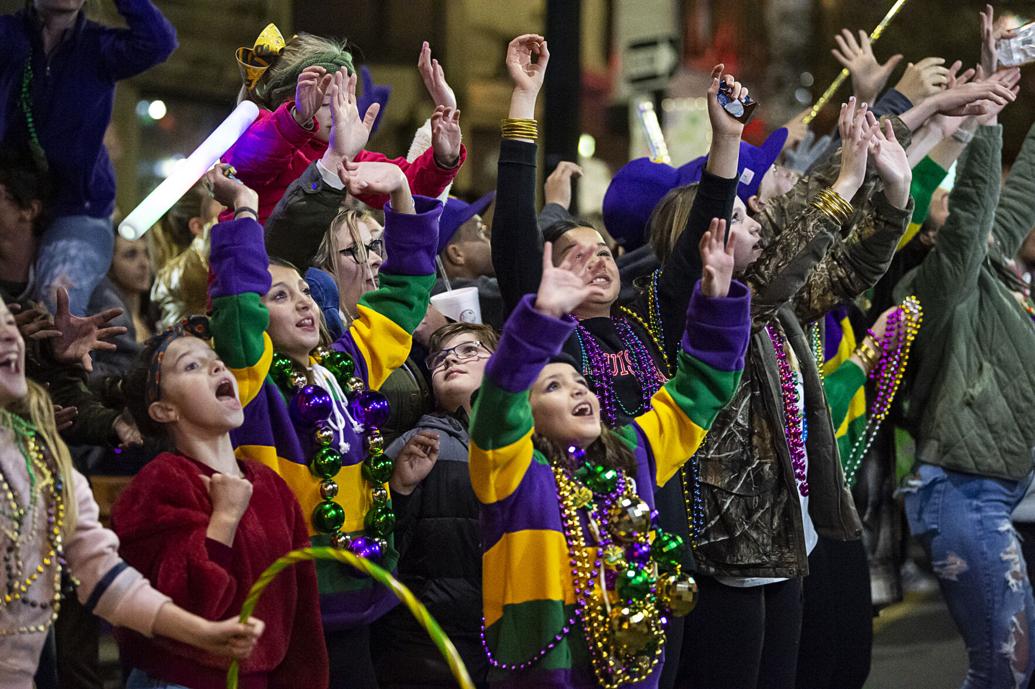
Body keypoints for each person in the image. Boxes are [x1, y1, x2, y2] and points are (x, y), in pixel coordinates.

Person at [472, 223, 750, 688]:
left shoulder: (630, 452)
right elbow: (498, 404)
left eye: (579, 382)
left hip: (630, 675)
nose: (577, 388)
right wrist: (542, 317)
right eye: (553, 386)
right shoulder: (511, 473)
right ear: (528, 413)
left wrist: (718, 302)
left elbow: (697, 393)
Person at [203, 160, 441, 689]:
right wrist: (242, 210)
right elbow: (236, 310)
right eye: (279, 296)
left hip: (368, 592)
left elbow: (405, 292)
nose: (304, 302)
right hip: (293, 603)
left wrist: (403, 192)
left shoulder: (348, 363)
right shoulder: (252, 385)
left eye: (304, 292)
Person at [0, 296, 264, 689]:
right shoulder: (159, 484)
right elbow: (188, 588)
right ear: (161, 409)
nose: (9, 336)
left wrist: (202, 633)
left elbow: (103, 575)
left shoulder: (45, 462)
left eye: (9, 324)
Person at [895, 54, 1035, 687]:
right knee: (1002, 666)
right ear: (924, 230)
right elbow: (974, 214)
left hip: (1001, 486)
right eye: (940, 199)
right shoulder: (930, 285)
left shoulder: (995, 267)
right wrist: (980, 123)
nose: (954, 199)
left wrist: (1000, 95)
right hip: (962, 490)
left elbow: (1022, 188)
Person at [111, 318, 328, 689]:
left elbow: (302, 616)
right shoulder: (157, 484)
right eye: (191, 366)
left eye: (215, 359)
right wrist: (224, 518)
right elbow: (179, 608)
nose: (217, 365)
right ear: (164, 411)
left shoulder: (270, 486)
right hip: (179, 680)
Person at [0, 0, 177, 315]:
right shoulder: (9, 37)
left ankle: (66, 358)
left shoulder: (99, 48)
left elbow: (158, 42)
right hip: (12, 198)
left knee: (60, 301)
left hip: (78, 208)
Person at [222, 28, 464, 223]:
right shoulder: (262, 128)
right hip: (255, 274)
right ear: (290, 100)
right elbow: (249, 162)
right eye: (327, 102)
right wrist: (296, 120)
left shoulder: (344, 152)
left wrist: (443, 160)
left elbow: (409, 188)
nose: (339, 113)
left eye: (346, 101)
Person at [373, 322, 499, 689]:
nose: (450, 361)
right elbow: (380, 544)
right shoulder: (418, 443)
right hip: (427, 636)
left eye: (469, 350)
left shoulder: (530, 444)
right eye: (440, 357)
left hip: (505, 631)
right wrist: (400, 488)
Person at [87, 234, 154, 380]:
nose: (144, 263)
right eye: (131, 255)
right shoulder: (109, 316)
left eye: (146, 253)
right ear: (109, 264)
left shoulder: (152, 314)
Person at [434, 193, 503, 329]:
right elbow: (526, 285)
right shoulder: (443, 294)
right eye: (481, 231)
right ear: (456, 253)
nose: (490, 238)